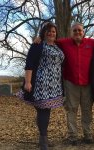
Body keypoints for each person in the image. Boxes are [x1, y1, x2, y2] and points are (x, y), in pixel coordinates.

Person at [34, 22, 94, 145]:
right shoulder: (63, 43)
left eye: (79, 30)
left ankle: (88, 135)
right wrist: (40, 38)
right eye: (74, 30)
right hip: (71, 83)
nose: (77, 32)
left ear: (83, 32)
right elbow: (50, 39)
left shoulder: (91, 43)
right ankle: (73, 136)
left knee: (87, 110)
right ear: (71, 32)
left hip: (87, 83)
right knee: (71, 110)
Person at [19, 22, 65, 150]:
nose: (51, 33)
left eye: (53, 31)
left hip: (54, 86)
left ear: (56, 34)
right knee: (43, 111)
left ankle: (42, 138)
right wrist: (28, 82)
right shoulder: (38, 45)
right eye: (48, 31)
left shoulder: (58, 46)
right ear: (43, 33)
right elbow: (29, 63)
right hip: (41, 83)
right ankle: (43, 140)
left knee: (46, 111)